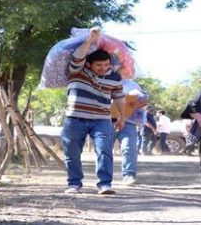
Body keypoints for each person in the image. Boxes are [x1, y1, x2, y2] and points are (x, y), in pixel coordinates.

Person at [60, 29, 126, 195]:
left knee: (104, 150)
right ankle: (74, 183)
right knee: (72, 153)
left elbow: (119, 98)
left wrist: (122, 117)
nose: (103, 68)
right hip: (75, 119)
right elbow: (78, 56)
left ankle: (105, 184)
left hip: (102, 120)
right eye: (99, 65)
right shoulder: (77, 71)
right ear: (89, 64)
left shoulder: (115, 77)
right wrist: (91, 39)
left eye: (106, 64)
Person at [113, 79, 149, 185]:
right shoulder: (103, 79)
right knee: (104, 150)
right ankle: (104, 178)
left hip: (128, 122)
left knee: (129, 148)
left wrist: (136, 103)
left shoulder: (132, 84)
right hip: (107, 121)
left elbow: (143, 101)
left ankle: (129, 175)